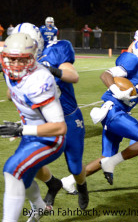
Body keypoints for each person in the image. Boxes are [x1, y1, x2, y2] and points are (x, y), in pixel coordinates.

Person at [62, 36, 138, 191]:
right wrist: (117, 91)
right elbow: (106, 75)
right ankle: (111, 164)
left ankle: (68, 181)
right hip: (112, 109)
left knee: (106, 158)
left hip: (121, 112)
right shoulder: (133, 62)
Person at [10, 22, 89, 210]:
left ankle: (82, 186)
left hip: (68, 117)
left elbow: (73, 75)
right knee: (31, 162)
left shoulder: (57, 49)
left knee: (75, 166)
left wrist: (49, 70)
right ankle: (53, 183)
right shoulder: (18, 61)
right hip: (42, 121)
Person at [0, 33, 66, 222]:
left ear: (32, 58)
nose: (16, 65)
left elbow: (60, 128)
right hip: (31, 134)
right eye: (11, 59)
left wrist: (21, 130)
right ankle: (40, 208)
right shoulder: (9, 71)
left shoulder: (39, 79)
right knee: (23, 181)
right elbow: (13, 94)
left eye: (22, 60)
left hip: (50, 139)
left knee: (12, 170)